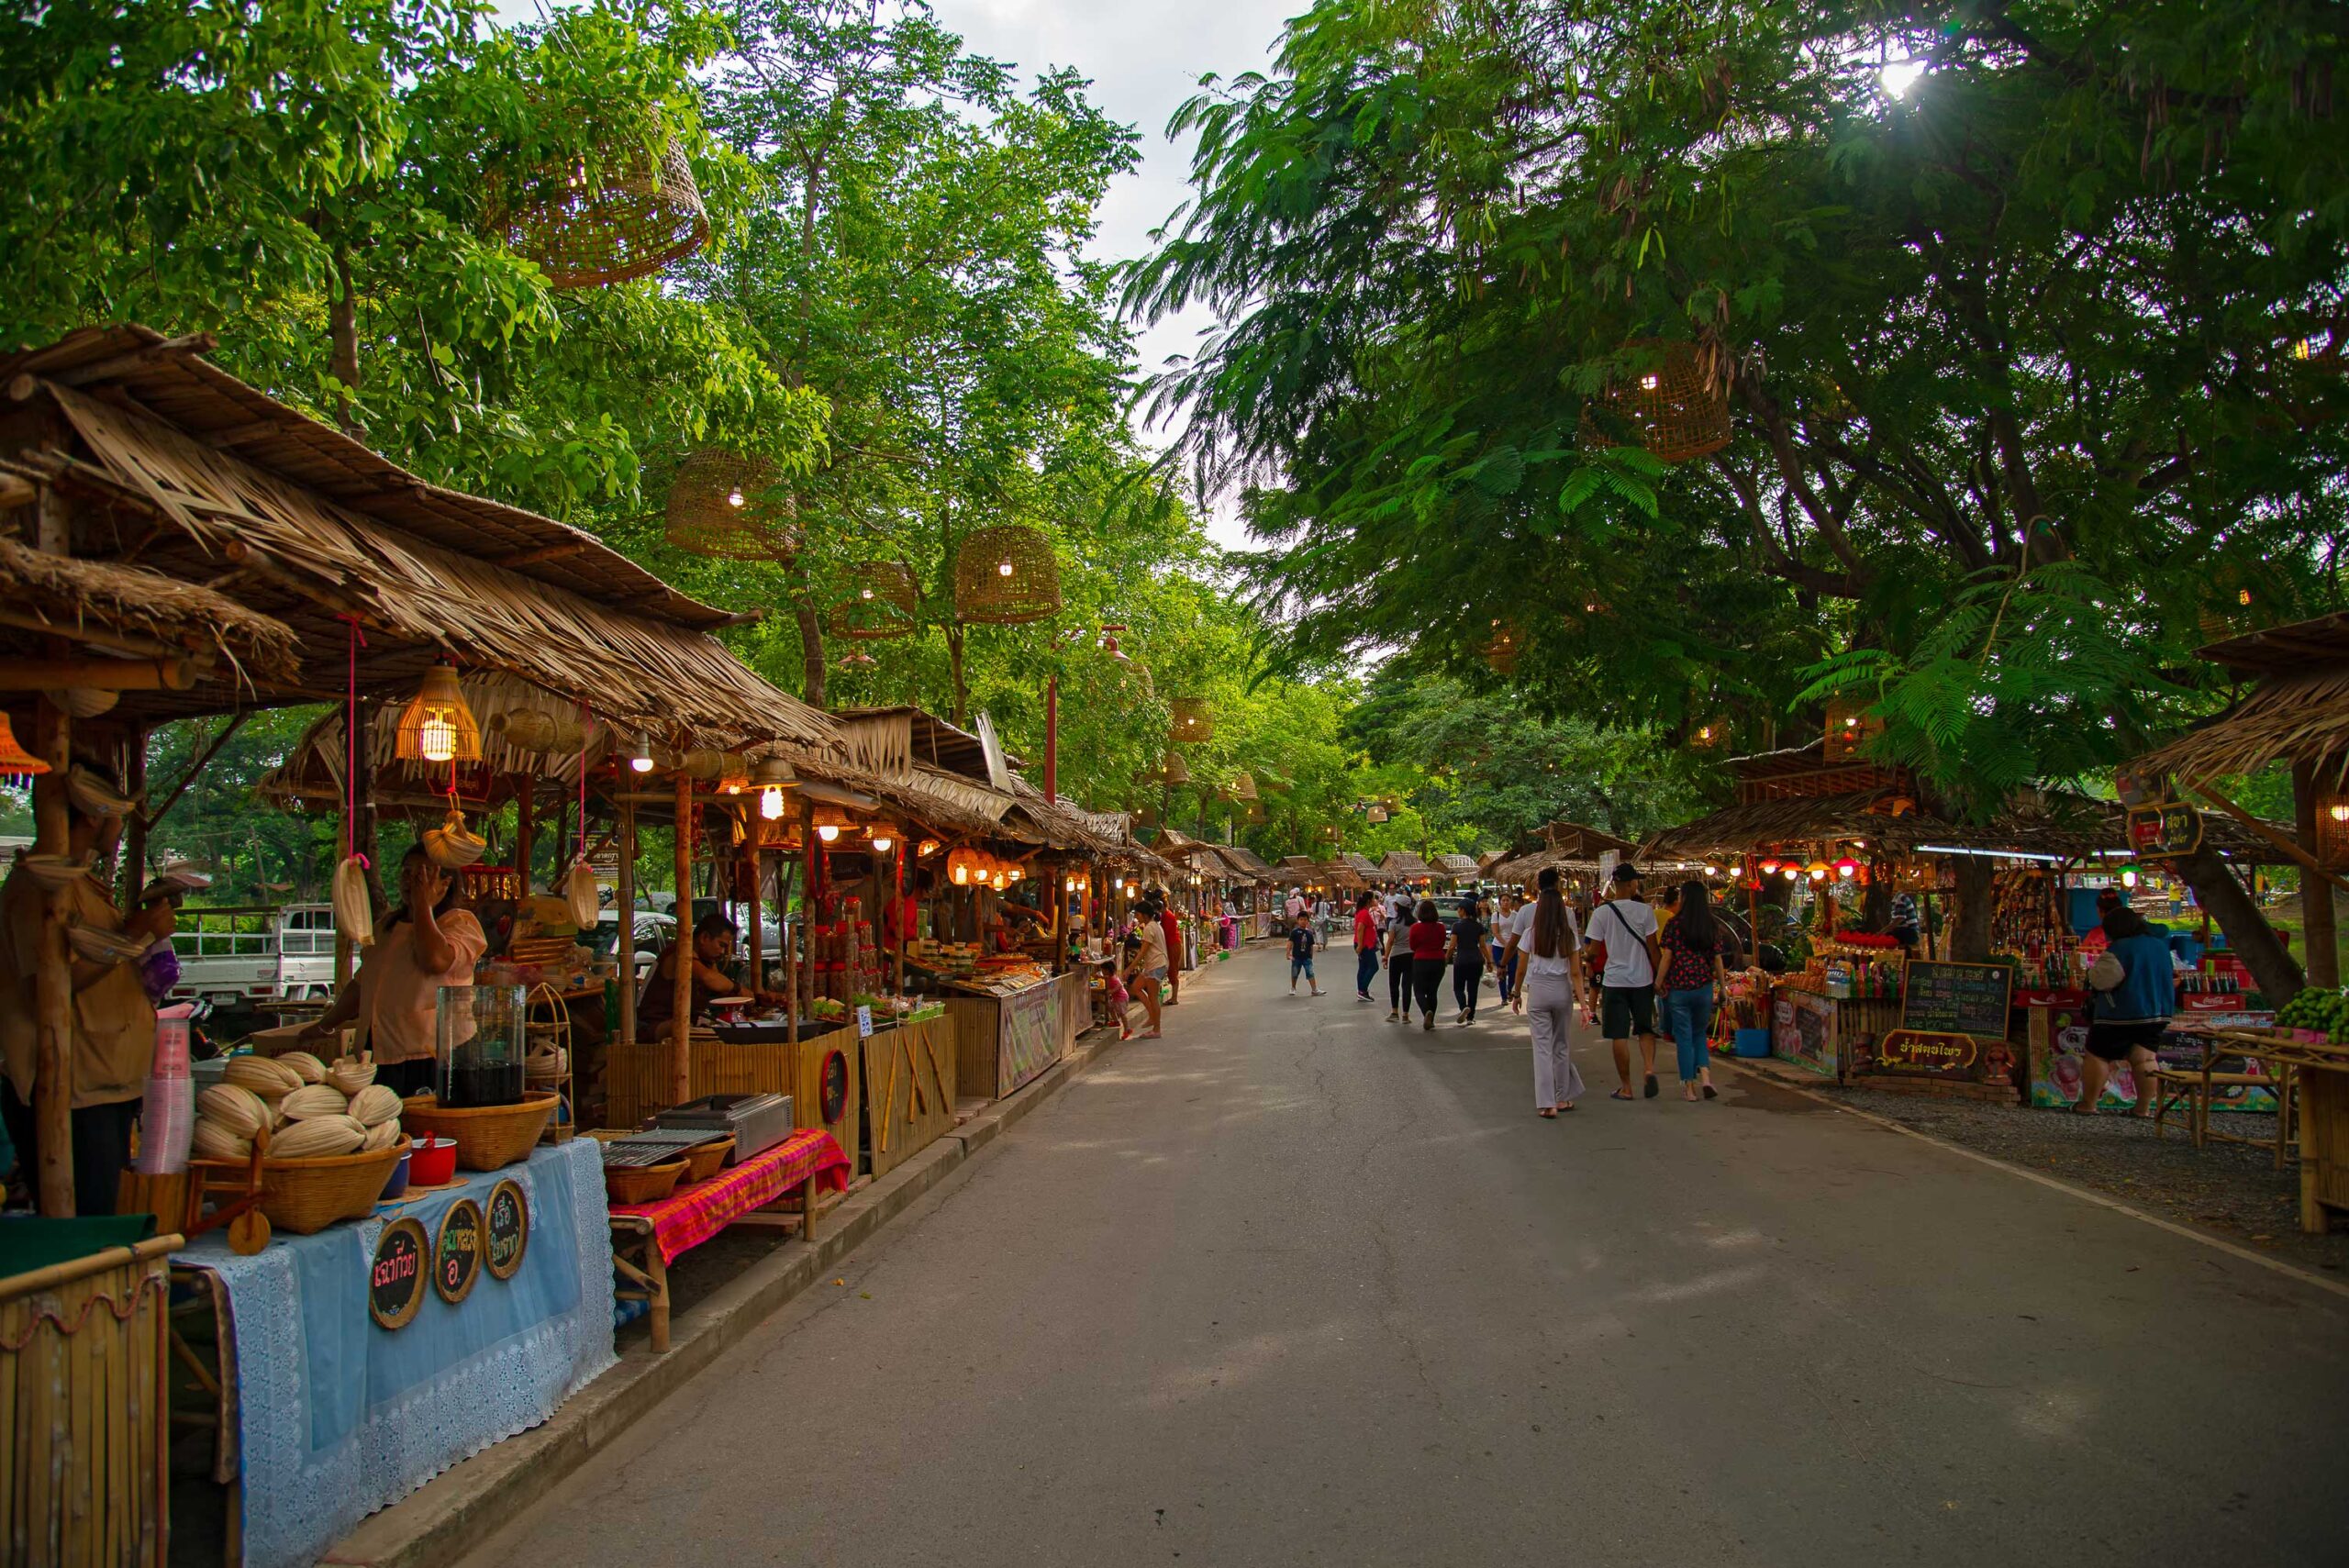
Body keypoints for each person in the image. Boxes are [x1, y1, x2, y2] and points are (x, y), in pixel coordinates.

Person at [1, 780, 175, 1215]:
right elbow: (49, 986)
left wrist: (136, 931)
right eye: (118, 814)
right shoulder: (38, 886)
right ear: (96, 814)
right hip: (70, 1087)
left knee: (107, 1215)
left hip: (101, 1081)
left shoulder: (83, 885)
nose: (120, 826)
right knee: (88, 1226)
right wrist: (134, 934)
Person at [302, 844, 489, 1099]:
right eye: (406, 873)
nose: (411, 881)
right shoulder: (385, 927)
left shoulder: (460, 923)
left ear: (444, 884)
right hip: (379, 1051)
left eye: (422, 876)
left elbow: (434, 960)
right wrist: (325, 1026)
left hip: (433, 1053)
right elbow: (361, 986)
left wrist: (423, 905)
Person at [1502, 867, 1586, 1117]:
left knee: (1541, 1047)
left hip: (1538, 990)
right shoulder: (1569, 935)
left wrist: (1516, 994)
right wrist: (1585, 1005)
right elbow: (1576, 973)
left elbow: (1521, 969)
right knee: (1561, 1046)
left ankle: (1547, 1103)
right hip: (1562, 990)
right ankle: (1562, 1098)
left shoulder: (1530, 933)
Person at [2081, 904, 2175, 1115]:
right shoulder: (2160, 946)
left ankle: (2088, 1105)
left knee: (2097, 1055)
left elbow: (2102, 980)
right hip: (2157, 1012)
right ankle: (2142, 1108)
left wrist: (2091, 974)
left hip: (2120, 1013)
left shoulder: (2120, 949)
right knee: (2146, 1059)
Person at [1584, 862, 1664, 1100]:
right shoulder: (1645, 911)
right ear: (1630, 884)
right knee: (1645, 1029)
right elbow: (1654, 949)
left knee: (1619, 1035)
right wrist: (1661, 978)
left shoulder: (1601, 913)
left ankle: (1627, 1087)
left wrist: (1584, 958)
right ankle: (1648, 1069)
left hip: (1615, 981)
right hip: (1642, 980)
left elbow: (1594, 951)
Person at [1656, 878, 1728, 1101]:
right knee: (1699, 1034)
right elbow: (1717, 960)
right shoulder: (1711, 925)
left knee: (1684, 1038)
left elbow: (1667, 957)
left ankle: (1689, 1087)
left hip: (1679, 989)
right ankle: (1706, 1077)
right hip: (1704, 988)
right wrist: (1723, 988)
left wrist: (1658, 982)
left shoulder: (1675, 924)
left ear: (1685, 898)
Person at [1404, 898, 1450, 1030]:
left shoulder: (1415, 928)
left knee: (1418, 991)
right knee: (1432, 992)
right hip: (1438, 960)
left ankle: (1426, 1012)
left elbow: (1412, 946)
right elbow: (1442, 944)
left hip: (1421, 960)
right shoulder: (1440, 927)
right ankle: (1431, 1019)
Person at [1128, 896, 1169, 1039]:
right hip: (1155, 964)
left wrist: (1129, 968)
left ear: (1144, 915)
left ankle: (1156, 1029)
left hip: (1156, 965)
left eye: (1138, 915)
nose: (1137, 918)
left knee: (1153, 997)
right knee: (1136, 987)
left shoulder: (1150, 928)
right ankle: (1152, 1016)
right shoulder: (1155, 925)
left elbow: (1142, 952)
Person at [1450, 895, 1489, 1024]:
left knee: (1458, 988)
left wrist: (1446, 959)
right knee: (1473, 989)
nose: (1458, 911)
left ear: (1463, 910)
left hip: (1461, 960)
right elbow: (1482, 946)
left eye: (1459, 909)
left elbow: (1452, 946)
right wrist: (1489, 961)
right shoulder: (1478, 926)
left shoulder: (1456, 926)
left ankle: (1463, 1007)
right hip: (1476, 960)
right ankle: (1470, 1018)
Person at [1384, 893, 1417, 1021]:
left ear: (1399, 907)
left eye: (1395, 904)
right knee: (1407, 985)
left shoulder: (1394, 923)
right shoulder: (1414, 923)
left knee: (1394, 984)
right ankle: (1406, 1015)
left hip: (1397, 955)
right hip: (1411, 955)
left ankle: (1394, 1012)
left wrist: (1385, 956)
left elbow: (1390, 941)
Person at [1489, 890, 1520, 1008]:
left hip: (1513, 947)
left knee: (1513, 971)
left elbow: (1518, 931)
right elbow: (1495, 932)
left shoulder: (1515, 915)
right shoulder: (1495, 915)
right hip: (1499, 946)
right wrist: (1505, 944)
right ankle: (1503, 997)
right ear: (1500, 903)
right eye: (1503, 900)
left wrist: (1512, 945)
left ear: (1511, 902)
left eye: (1508, 900)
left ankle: (1509, 989)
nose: (1506, 903)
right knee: (1501, 972)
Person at [1351, 890, 1382, 1002]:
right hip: (1365, 945)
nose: (1375, 900)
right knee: (1373, 967)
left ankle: (1362, 991)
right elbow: (1360, 929)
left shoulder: (1362, 912)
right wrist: (1360, 945)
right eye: (1374, 898)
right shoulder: (1364, 913)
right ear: (1369, 901)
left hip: (1364, 944)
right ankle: (1363, 990)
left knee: (1363, 967)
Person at [1155, 891, 1184, 1006]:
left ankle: (1175, 997)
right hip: (1170, 944)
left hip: (1172, 945)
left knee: (1172, 970)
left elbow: (1164, 933)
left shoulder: (1168, 916)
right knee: (1170, 970)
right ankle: (1173, 997)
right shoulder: (1166, 915)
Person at [1287, 914, 1322, 996]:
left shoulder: (1309, 933)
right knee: (1295, 973)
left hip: (1306, 957)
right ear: (1298, 920)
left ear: (1308, 921)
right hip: (1296, 957)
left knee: (1310, 972)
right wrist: (1288, 953)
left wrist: (1311, 956)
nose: (1303, 921)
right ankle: (1293, 987)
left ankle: (1314, 989)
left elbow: (1311, 946)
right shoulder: (1295, 932)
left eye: (1305, 920)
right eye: (1301, 919)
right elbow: (1290, 942)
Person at [1887, 887, 1920, 952]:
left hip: (1909, 932)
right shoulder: (1897, 899)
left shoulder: (1900, 898)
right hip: (1905, 931)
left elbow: (1899, 918)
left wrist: (1883, 931)